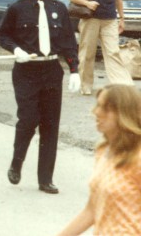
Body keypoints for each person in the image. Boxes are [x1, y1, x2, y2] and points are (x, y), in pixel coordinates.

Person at [0, 0, 81, 194]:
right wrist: (16, 49)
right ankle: (17, 161)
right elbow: (2, 35)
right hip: (27, 70)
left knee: (50, 125)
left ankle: (45, 178)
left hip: (51, 70)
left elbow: (67, 42)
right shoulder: (17, 8)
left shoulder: (58, 9)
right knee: (28, 119)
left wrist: (74, 69)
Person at [57, 84, 141, 236]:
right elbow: (92, 209)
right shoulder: (103, 151)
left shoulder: (137, 158)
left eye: (105, 108)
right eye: (98, 106)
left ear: (124, 114)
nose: (96, 112)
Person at [67, 0, 134, 95]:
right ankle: (85, 85)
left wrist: (122, 18)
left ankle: (122, 86)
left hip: (110, 19)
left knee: (113, 52)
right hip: (91, 19)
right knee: (87, 53)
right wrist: (87, 3)